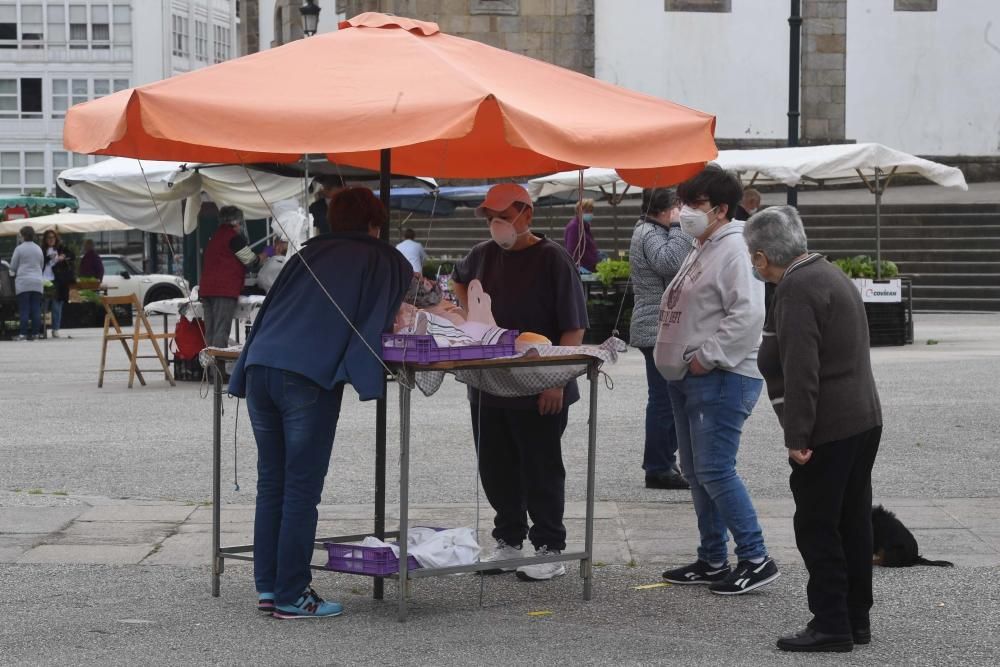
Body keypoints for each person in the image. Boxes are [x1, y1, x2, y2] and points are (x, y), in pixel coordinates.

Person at [229, 187, 412, 619]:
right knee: (300, 490)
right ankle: (293, 594)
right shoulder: (384, 258)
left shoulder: (306, 253)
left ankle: (270, 589)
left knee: (272, 484)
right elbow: (383, 319)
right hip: (307, 377)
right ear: (376, 223)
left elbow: (271, 307)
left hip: (260, 368)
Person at [744, 206, 883, 652]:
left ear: (763, 257)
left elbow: (801, 368)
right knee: (852, 521)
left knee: (818, 525)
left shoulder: (797, 288)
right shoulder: (828, 272)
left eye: (753, 255)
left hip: (831, 425)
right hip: (861, 417)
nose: (752, 263)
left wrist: (798, 436)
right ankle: (854, 618)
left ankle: (831, 624)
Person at [452, 183, 588, 582]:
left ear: (527, 215)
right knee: (495, 466)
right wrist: (469, 313)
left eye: (504, 218)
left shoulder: (553, 259)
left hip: (539, 383)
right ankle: (508, 541)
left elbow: (573, 328)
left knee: (541, 467)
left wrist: (555, 381)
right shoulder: (480, 255)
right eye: (491, 219)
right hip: (488, 382)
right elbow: (459, 281)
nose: (497, 226)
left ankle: (550, 546)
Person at [655, 165, 779, 595]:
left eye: (695, 204)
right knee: (696, 470)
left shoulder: (735, 249)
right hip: (690, 376)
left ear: (721, 209)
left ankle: (755, 556)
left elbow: (747, 314)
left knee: (714, 469)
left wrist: (706, 359)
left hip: (721, 376)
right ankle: (712, 557)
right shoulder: (702, 244)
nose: (684, 210)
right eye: (682, 202)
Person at [628, 188, 692, 490]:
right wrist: (679, 226)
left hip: (659, 326)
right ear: (668, 209)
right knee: (664, 399)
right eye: (678, 208)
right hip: (655, 327)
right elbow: (669, 262)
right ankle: (658, 466)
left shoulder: (649, 230)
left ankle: (664, 461)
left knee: (668, 397)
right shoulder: (649, 232)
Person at [199, 206, 259, 349]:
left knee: (211, 332)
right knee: (221, 331)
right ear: (235, 222)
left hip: (207, 289)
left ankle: (210, 368)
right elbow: (252, 261)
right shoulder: (234, 239)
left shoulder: (216, 236)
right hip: (223, 290)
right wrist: (269, 252)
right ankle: (217, 369)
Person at [9, 226, 44, 341]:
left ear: (23, 235)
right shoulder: (38, 248)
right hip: (37, 282)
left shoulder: (19, 249)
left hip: (23, 282)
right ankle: (35, 334)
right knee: (36, 309)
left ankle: (23, 334)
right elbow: (41, 265)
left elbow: (13, 266)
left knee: (24, 309)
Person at [40, 229, 75, 338]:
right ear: (45, 239)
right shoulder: (41, 250)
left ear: (56, 238)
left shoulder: (61, 248)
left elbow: (72, 255)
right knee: (43, 306)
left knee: (56, 306)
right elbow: (39, 261)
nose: (51, 239)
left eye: (53, 237)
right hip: (43, 280)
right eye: (48, 237)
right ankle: (42, 329)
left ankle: (55, 329)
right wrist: (48, 258)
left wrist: (63, 256)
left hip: (57, 280)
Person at [563, 198, 602, 271]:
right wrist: (578, 268)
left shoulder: (584, 226)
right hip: (583, 269)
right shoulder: (574, 227)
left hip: (590, 267)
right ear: (578, 211)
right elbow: (572, 251)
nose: (589, 213)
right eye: (586, 211)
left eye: (591, 211)